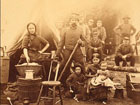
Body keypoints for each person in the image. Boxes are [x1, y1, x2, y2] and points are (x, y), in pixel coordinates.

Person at [55, 16, 85, 89]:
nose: (73, 21)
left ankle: (83, 83)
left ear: (77, 21)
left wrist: (81, 42)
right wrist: (57, 54)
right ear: (69, 21)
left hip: (77, 51)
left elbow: (85, 42)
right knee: (64, 66)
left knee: (81, 64)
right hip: (67, 51)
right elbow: (61, 43)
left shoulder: (80, 30)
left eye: (75, 20)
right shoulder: (65, 30)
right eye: (72, 20)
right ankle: (64, 84)